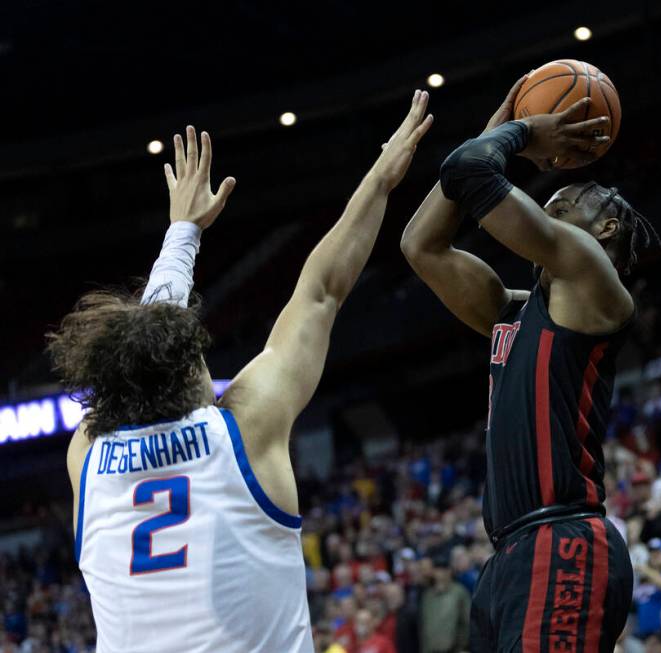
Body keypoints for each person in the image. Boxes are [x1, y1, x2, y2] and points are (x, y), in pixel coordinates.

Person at [50, 94, 433, 653]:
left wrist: (183, 232)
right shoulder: (242, 431)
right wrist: (378, 180)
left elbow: (142, 350)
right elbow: (322, 291)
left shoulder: (87, 457)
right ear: (185, 378)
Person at [401, 76, 651, 653]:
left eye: (571, 199)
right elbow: (421, 246)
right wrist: (504, 123)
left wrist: (521, 131)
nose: (551, 198)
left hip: (563, 537)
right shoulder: (513, 312)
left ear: (606, 227)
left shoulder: (592, 277)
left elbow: (472, 172)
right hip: (509, 555)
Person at [420, 555, 470, 653]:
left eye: (444, 569)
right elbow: (424, 626)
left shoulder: (459, 592)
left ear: (449, 571)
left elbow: (467, 622)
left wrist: (463, 647)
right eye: (437, 569)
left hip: (454, 649)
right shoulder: (427, 595)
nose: (440, 573)